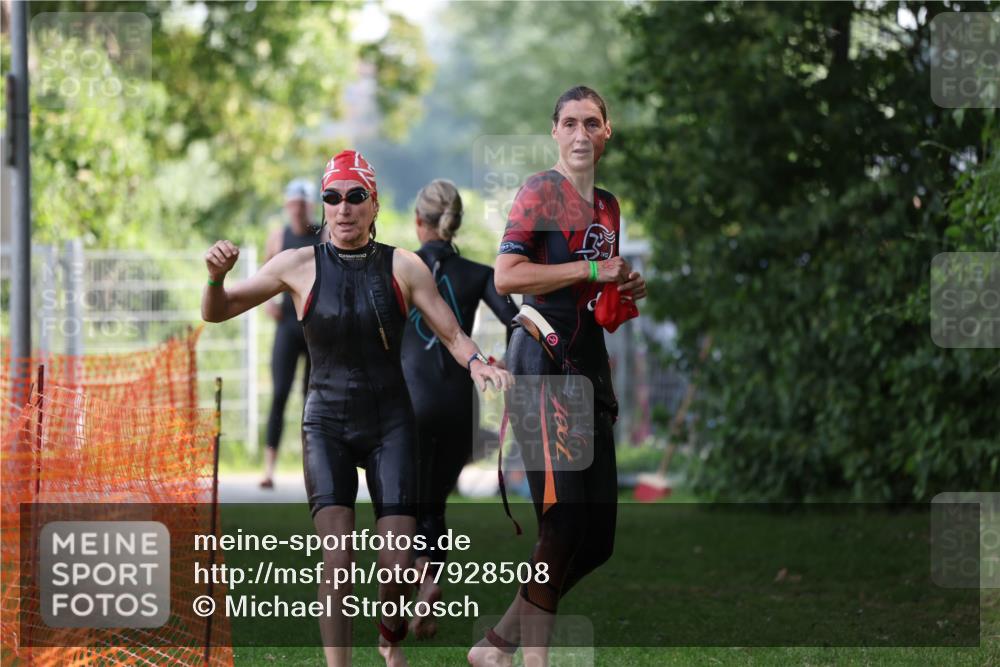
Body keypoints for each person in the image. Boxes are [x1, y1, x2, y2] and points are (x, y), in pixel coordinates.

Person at [201, 150, 513, 667]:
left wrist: (478, 363)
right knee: (338, 561)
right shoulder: (297, 264)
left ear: (374, 204)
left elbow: (452, 331)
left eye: (354, 197)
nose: (343, 208)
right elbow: (219, 312)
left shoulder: (404, 266)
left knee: (395, 566)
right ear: (323, 205)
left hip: (391, 422)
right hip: (326, 423)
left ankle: (389, 635)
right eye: (332, 197)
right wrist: (214, 278)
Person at [468, 86, 647, 667]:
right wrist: (594, 266)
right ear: (554, 131)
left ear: (606, 132)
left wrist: (622, 286)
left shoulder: (609, 206)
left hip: (589, 367)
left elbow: (594, 293)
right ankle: (532, 662)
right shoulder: (540, 192)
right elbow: (506, 276)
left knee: (597, 541)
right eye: (568, 122)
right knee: (562, 518)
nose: (579, 134)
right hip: (539, 356)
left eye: (591, 123)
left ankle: (496, 647)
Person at [400, 179, 519, 639]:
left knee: (404, 503)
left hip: (406, 401)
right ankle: (429, 584)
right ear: (457, 223)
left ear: (418, 221)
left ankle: (414, 588)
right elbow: (519, 322)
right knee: (435, 502)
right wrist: (507, 362)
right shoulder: (478, 273)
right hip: (458, 403)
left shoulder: (399, 267)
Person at [260, 178, 324, 489]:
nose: (298, 210)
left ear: (311, 206)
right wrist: (268, 304)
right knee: (279, 395)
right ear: (287, 205)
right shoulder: (278, 237)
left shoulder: (322, 235)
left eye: (303, 205)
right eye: (294, 204)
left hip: (313, 326)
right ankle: (268, 469)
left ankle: (310, 466)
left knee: (312, 399)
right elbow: (264, 275)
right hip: (287, 326)